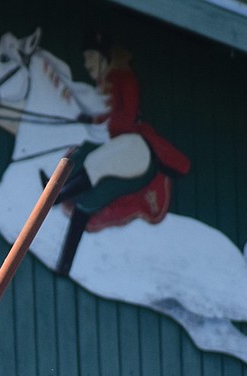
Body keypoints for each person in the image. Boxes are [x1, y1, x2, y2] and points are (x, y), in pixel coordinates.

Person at [53, 31, 190, 275]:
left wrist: (97, 120)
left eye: (91, 57)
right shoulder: (102, 85)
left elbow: (124, 121)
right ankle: (64, 264)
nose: (87, 64)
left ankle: (57, 195)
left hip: (134, 149)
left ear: (104, 57)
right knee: (84, 185)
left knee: (95, 160)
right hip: (114, 148)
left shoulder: (123, 78)